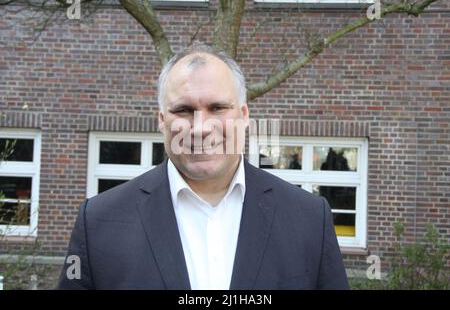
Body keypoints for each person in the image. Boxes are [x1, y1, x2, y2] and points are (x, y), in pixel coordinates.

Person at [58, 43, 349, 290]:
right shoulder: (97, 223)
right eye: (183, 110)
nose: (200, 128)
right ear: (162, 120)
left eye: (218, 108)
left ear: (244, 115)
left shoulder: (309, 219)